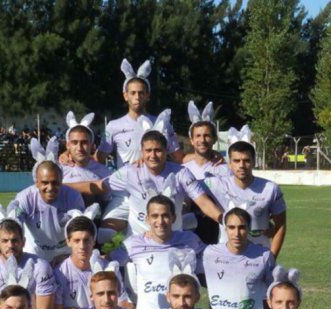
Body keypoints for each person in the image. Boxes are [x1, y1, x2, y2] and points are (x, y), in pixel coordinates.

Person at [68, 119, 223, 237]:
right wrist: (63, 186)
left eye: (158, 150)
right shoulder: (130, 172)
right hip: (139, 244)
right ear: (142, 151)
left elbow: (204, 203)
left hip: (173, 242)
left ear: (166, 150)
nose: (153, 155)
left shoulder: (181, 173)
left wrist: (225, 220)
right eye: (148, 151)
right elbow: (98, 186)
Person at [90, 58, 183, 233]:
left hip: (156, 190)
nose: (137, 97)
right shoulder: (114, 126)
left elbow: (179, 157)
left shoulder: (162, 124)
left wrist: (210, 156)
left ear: (148, 95)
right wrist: (70, 157)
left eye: (141, 93)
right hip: (124, 191)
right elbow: (98, 158)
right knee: (103, 234)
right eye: (132, 93)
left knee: (158, 232)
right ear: (125, 95)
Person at [109, 195, 207, 309]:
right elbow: (108, 265)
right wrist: (122, 298)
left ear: (174, 218)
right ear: (147, 219)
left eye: (165, 215)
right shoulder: (133, 243)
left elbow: (212, 259)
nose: (160, 221)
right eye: (155, 216)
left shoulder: (189, 240)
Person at [205, 127, 287, 257]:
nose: (241, 165)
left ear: (254, 162)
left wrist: (271, 258)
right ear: (229, 163)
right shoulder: (216, 184)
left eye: (247, 160)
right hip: (227, 257)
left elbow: (280, 226)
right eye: (236, 161)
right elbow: (188, 184)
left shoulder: (270, 189)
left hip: (260, 256)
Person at [202, 207, 275, 309]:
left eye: (241, 227)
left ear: (248, 229)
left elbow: (273, 293)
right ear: (225, 229)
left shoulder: (264, 256)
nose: (236, 233)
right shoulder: (210, 253)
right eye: (231, 227)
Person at [16, 137, 85, 262]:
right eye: (44, 183)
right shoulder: (24, 197)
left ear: (61, 181)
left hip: (66, 254)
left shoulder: (73, 197)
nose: (50, 188)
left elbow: (81, 233)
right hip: (34, 254)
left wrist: (69, 257)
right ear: (36, 183)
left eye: (55, 182)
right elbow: (13, 227)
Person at [54, 214, 132, 309]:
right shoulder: (59, 273)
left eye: (86, 240)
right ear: (68, 242)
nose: (82, 246)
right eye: (77, 241)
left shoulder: (109, 268)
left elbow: (125, 306)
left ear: (94, 241)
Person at [182, 100, 231, 244]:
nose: (202, 140)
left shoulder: (225, 169)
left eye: (207, 136)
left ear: (214, 139)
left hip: (218, 226)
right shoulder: (183, 168)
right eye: (197, 136)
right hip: (188, 227)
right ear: (191, 140)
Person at [60, 111, 111, 207]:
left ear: (92, 146)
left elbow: (108, 203)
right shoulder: (59, 170)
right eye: (75, 142)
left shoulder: (104, 172)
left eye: (84, 142)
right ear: (68, 145)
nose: (79, 148)